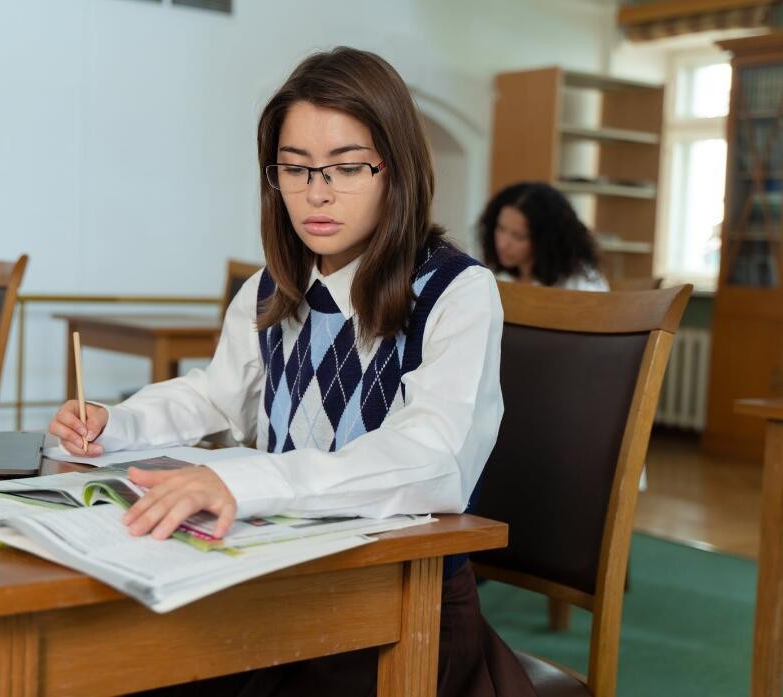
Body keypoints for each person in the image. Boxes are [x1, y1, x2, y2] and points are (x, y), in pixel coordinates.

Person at [49, 47, 536, 697]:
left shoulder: (457, 292)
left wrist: (248, 480)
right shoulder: (270, 288)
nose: (317, 193)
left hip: (401, 605)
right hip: (279, 582)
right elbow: (216, 396)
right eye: (295, 169)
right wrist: (118, 422)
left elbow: (433, 459)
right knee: (105, 662)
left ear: (397, 169)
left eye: (346, 167)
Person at [479, 181, 609, 291]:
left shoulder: (579, 284)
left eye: (518, 236)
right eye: (500, 229)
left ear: (545, 241)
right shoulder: (496, 276)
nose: (502, 244)